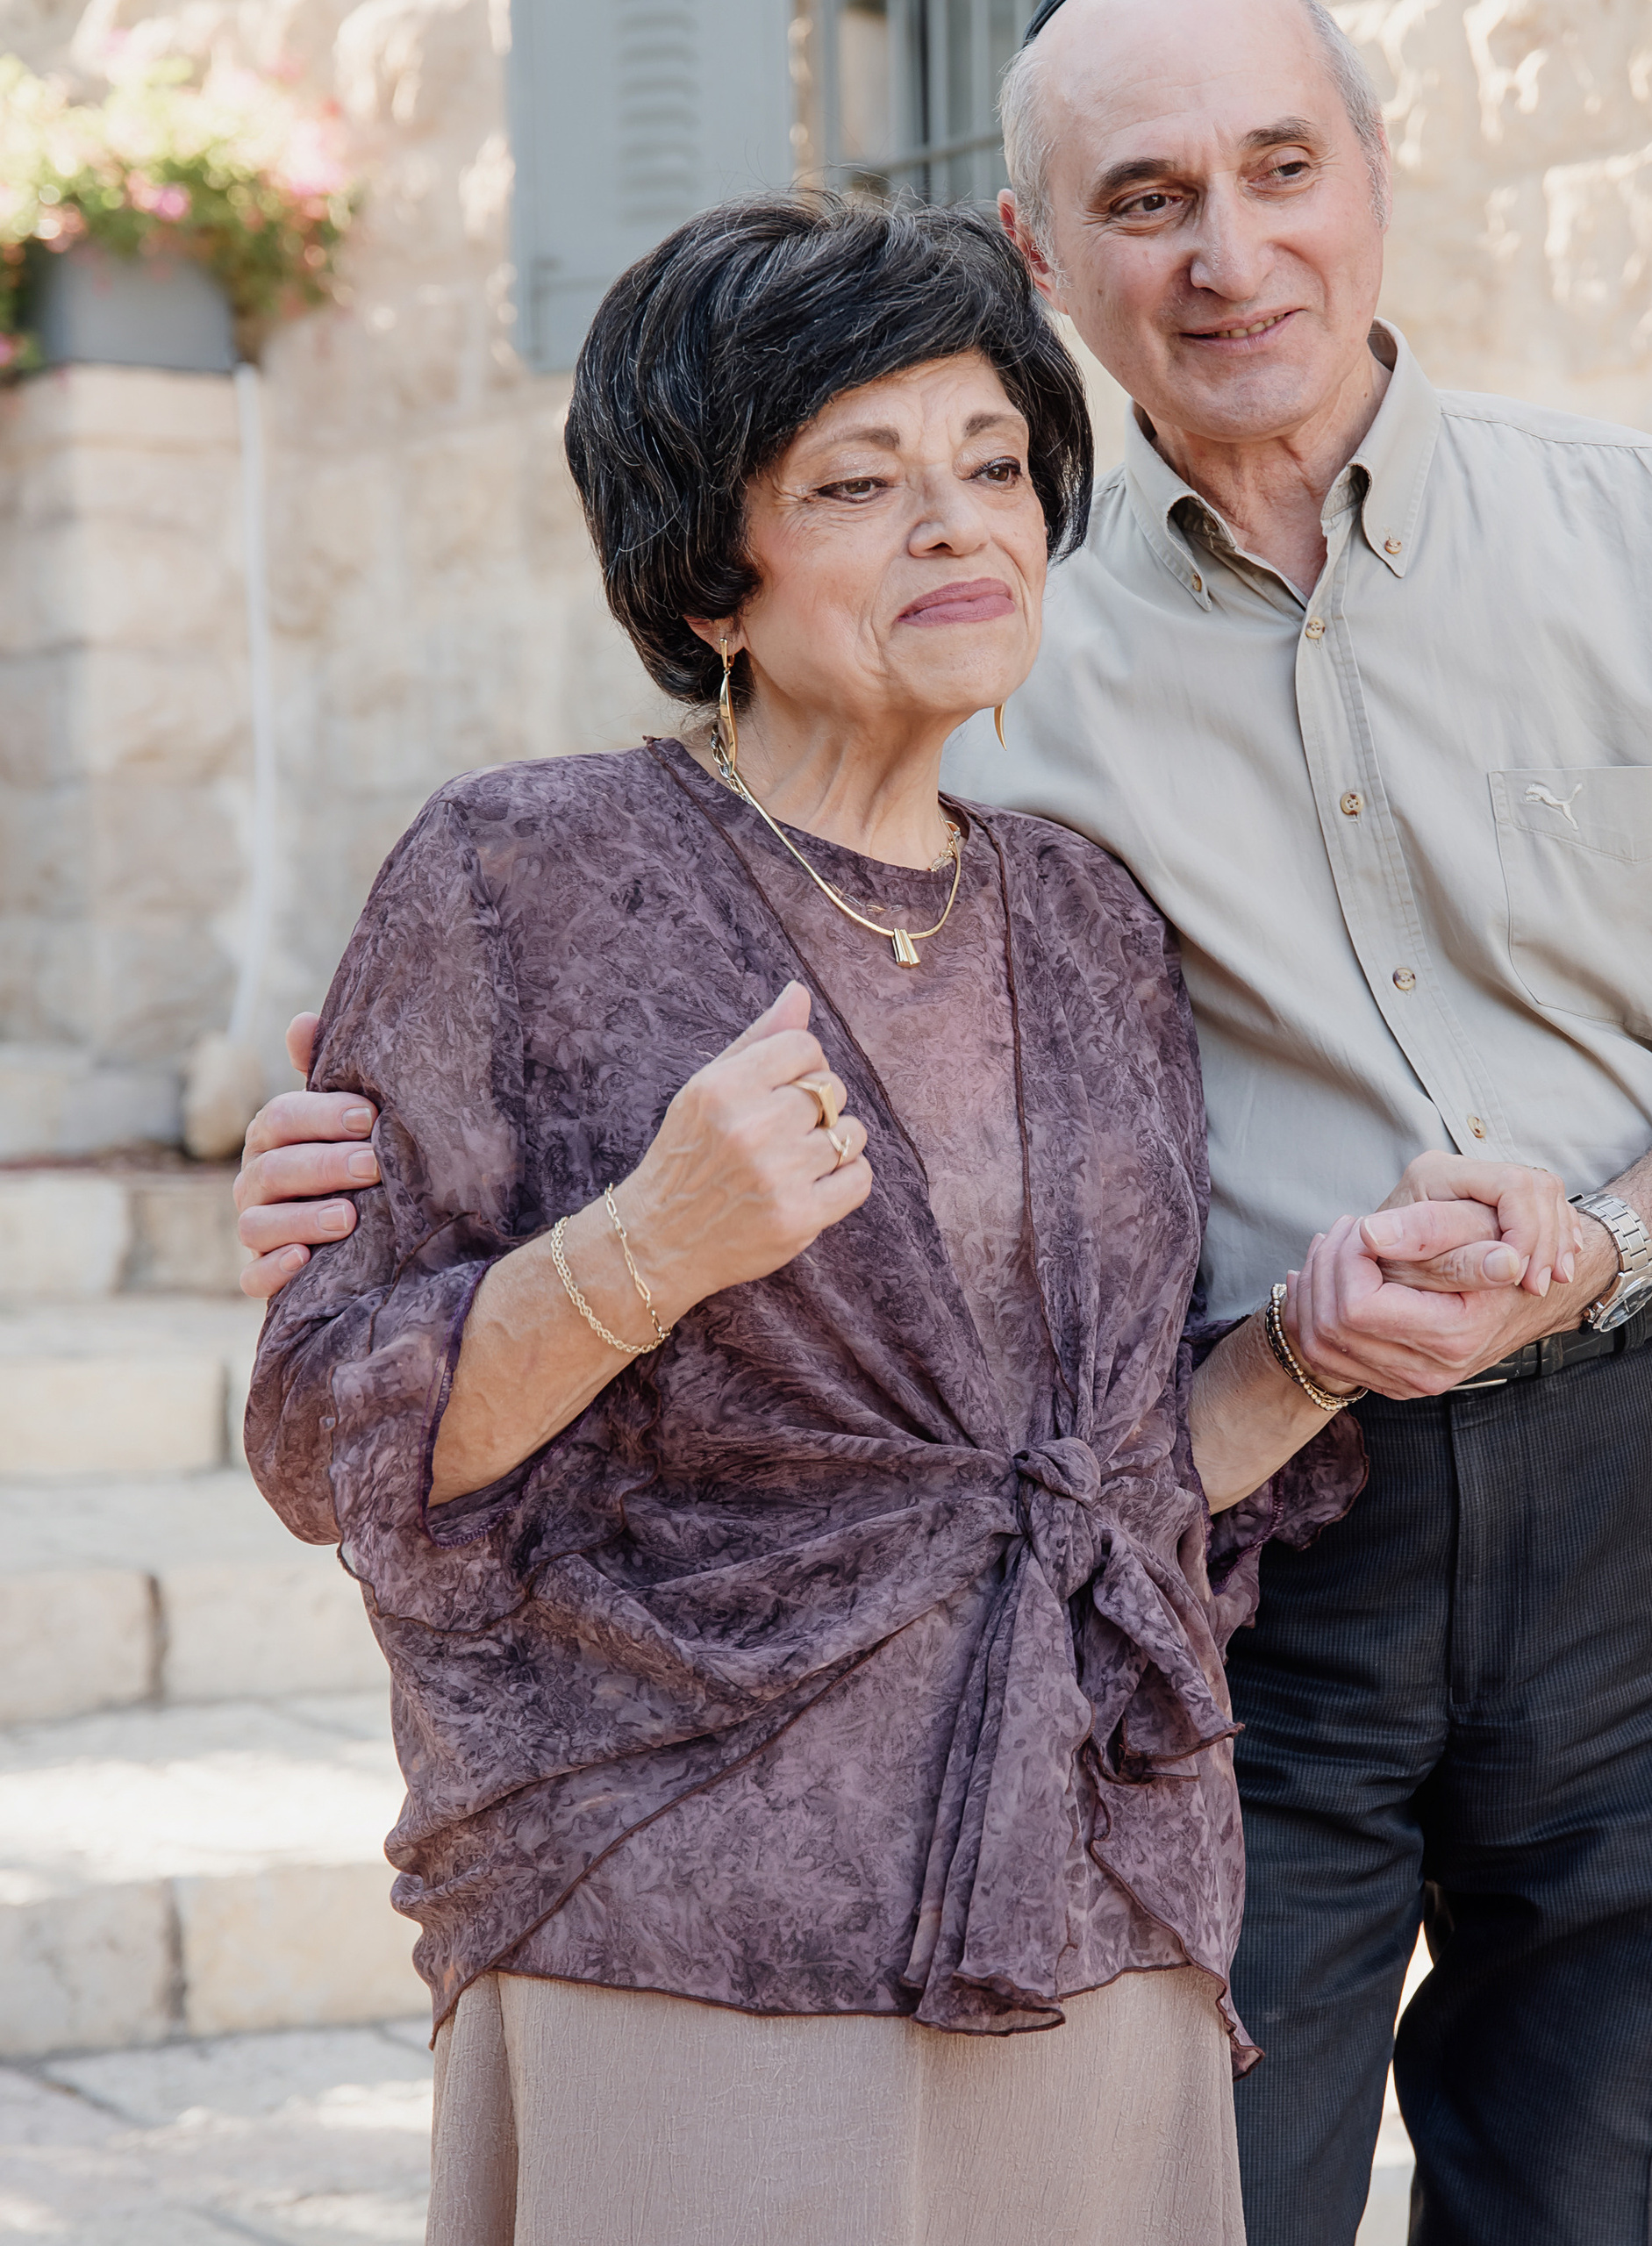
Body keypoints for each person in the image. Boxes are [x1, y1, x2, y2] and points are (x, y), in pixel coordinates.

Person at [238, 3, 1652, 2241]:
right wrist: (416, 1182)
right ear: (1039, 242)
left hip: (1610, 1484)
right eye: (1144, 198)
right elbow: (628, 940)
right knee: (1219, 2187)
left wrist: (1525, 1264)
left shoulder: (1611, 545)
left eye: (1280, 168)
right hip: (1182, 1611)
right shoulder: (941, 660)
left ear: (1374, 168)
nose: (1230, 251)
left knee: (1605, 2185)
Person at [240, 194, 1582, 2246]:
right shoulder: (522, 873)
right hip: (684, 1893)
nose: (957, 527)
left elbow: (1104, 1482)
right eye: (856, 483)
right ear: (711, 573)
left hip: (1076, 1873)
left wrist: (1313, 1344)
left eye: (991, 470)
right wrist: (643, 1243)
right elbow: (334, 1429)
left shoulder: (1084, 918)